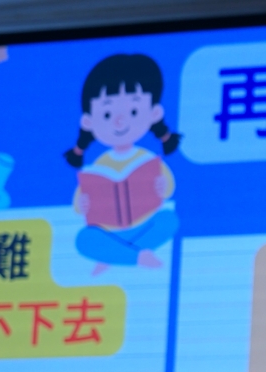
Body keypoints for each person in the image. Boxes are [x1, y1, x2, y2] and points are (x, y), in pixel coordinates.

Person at [63, 53, 181, 275]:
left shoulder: (147, 159)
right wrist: (83, 203)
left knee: (168, 220)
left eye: (133, 111)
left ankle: (115, 254)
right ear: (88, 121)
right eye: (107, 114)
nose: (119, 122)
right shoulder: (99, 166)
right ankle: (135, 256)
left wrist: (162, 187)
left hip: (145, 225)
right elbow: (80, 201)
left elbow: (168, 187)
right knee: (84, 239)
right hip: (109, 231)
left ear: (154, 113)